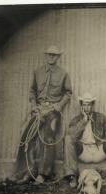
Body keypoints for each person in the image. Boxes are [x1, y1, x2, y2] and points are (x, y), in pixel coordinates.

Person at [14, 45, 72, 184]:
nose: (52, 57)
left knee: (47, 136)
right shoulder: (37, 72)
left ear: (58, 57)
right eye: (49, 55)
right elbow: (32, 91)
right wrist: (34, 106)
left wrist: (59, 106)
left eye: (55, 55)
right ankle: (27, 171)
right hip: (39, 110)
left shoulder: (63, 74)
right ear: (46, 56)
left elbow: (68, 93)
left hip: (53, 112)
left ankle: (43, 174)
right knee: (26, 135)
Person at [63, 92, 106, 187]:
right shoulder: (76, 120)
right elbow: (72, 135)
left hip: (99, 151)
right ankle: (72, 176)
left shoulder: (100, 117)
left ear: (92, 105)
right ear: (81, 106)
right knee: (68, 138)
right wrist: (84, 121)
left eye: (89, 105)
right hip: (84, 152)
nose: (87, 108)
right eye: (84, 105)